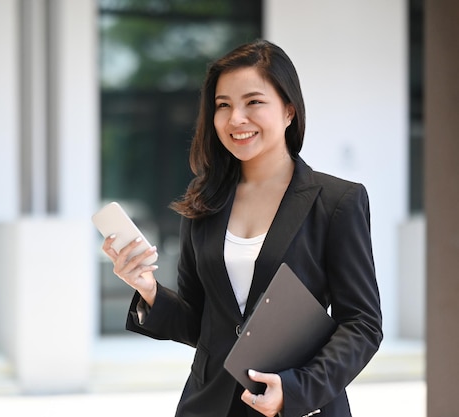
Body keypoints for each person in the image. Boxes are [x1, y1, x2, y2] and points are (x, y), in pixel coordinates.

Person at [101, 39, 383, 417]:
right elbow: (200, 324)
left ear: (288, 111)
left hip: (297, 404)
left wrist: (297, 389)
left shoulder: (336, 202)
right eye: (223, 105)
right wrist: (147, 290)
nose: (236, 119)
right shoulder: (203, 200)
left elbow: (362, 324)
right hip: (208, 404)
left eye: (253, 102)